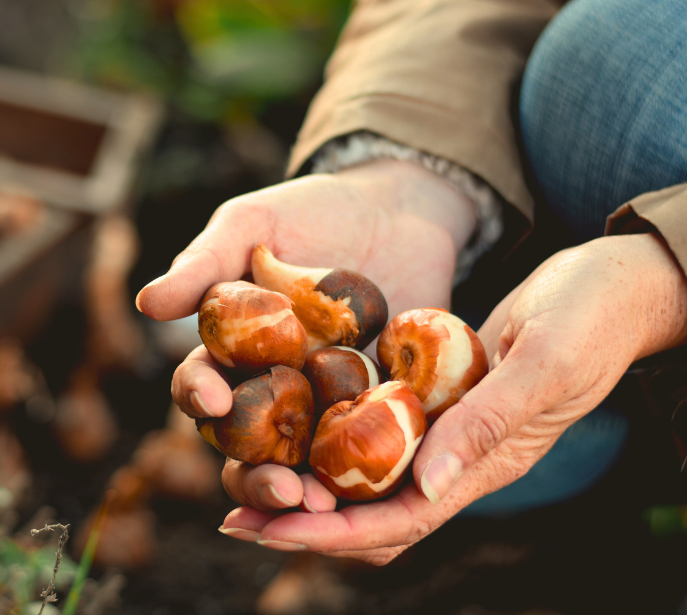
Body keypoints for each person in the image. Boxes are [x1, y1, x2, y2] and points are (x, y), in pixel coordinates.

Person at [135, 0, 687, 565]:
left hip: (582, 296)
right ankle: (620, 449)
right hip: (530, 305)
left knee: (616, 53)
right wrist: (407, 177)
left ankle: (632, 460)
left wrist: (663, 285)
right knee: (488, 445)